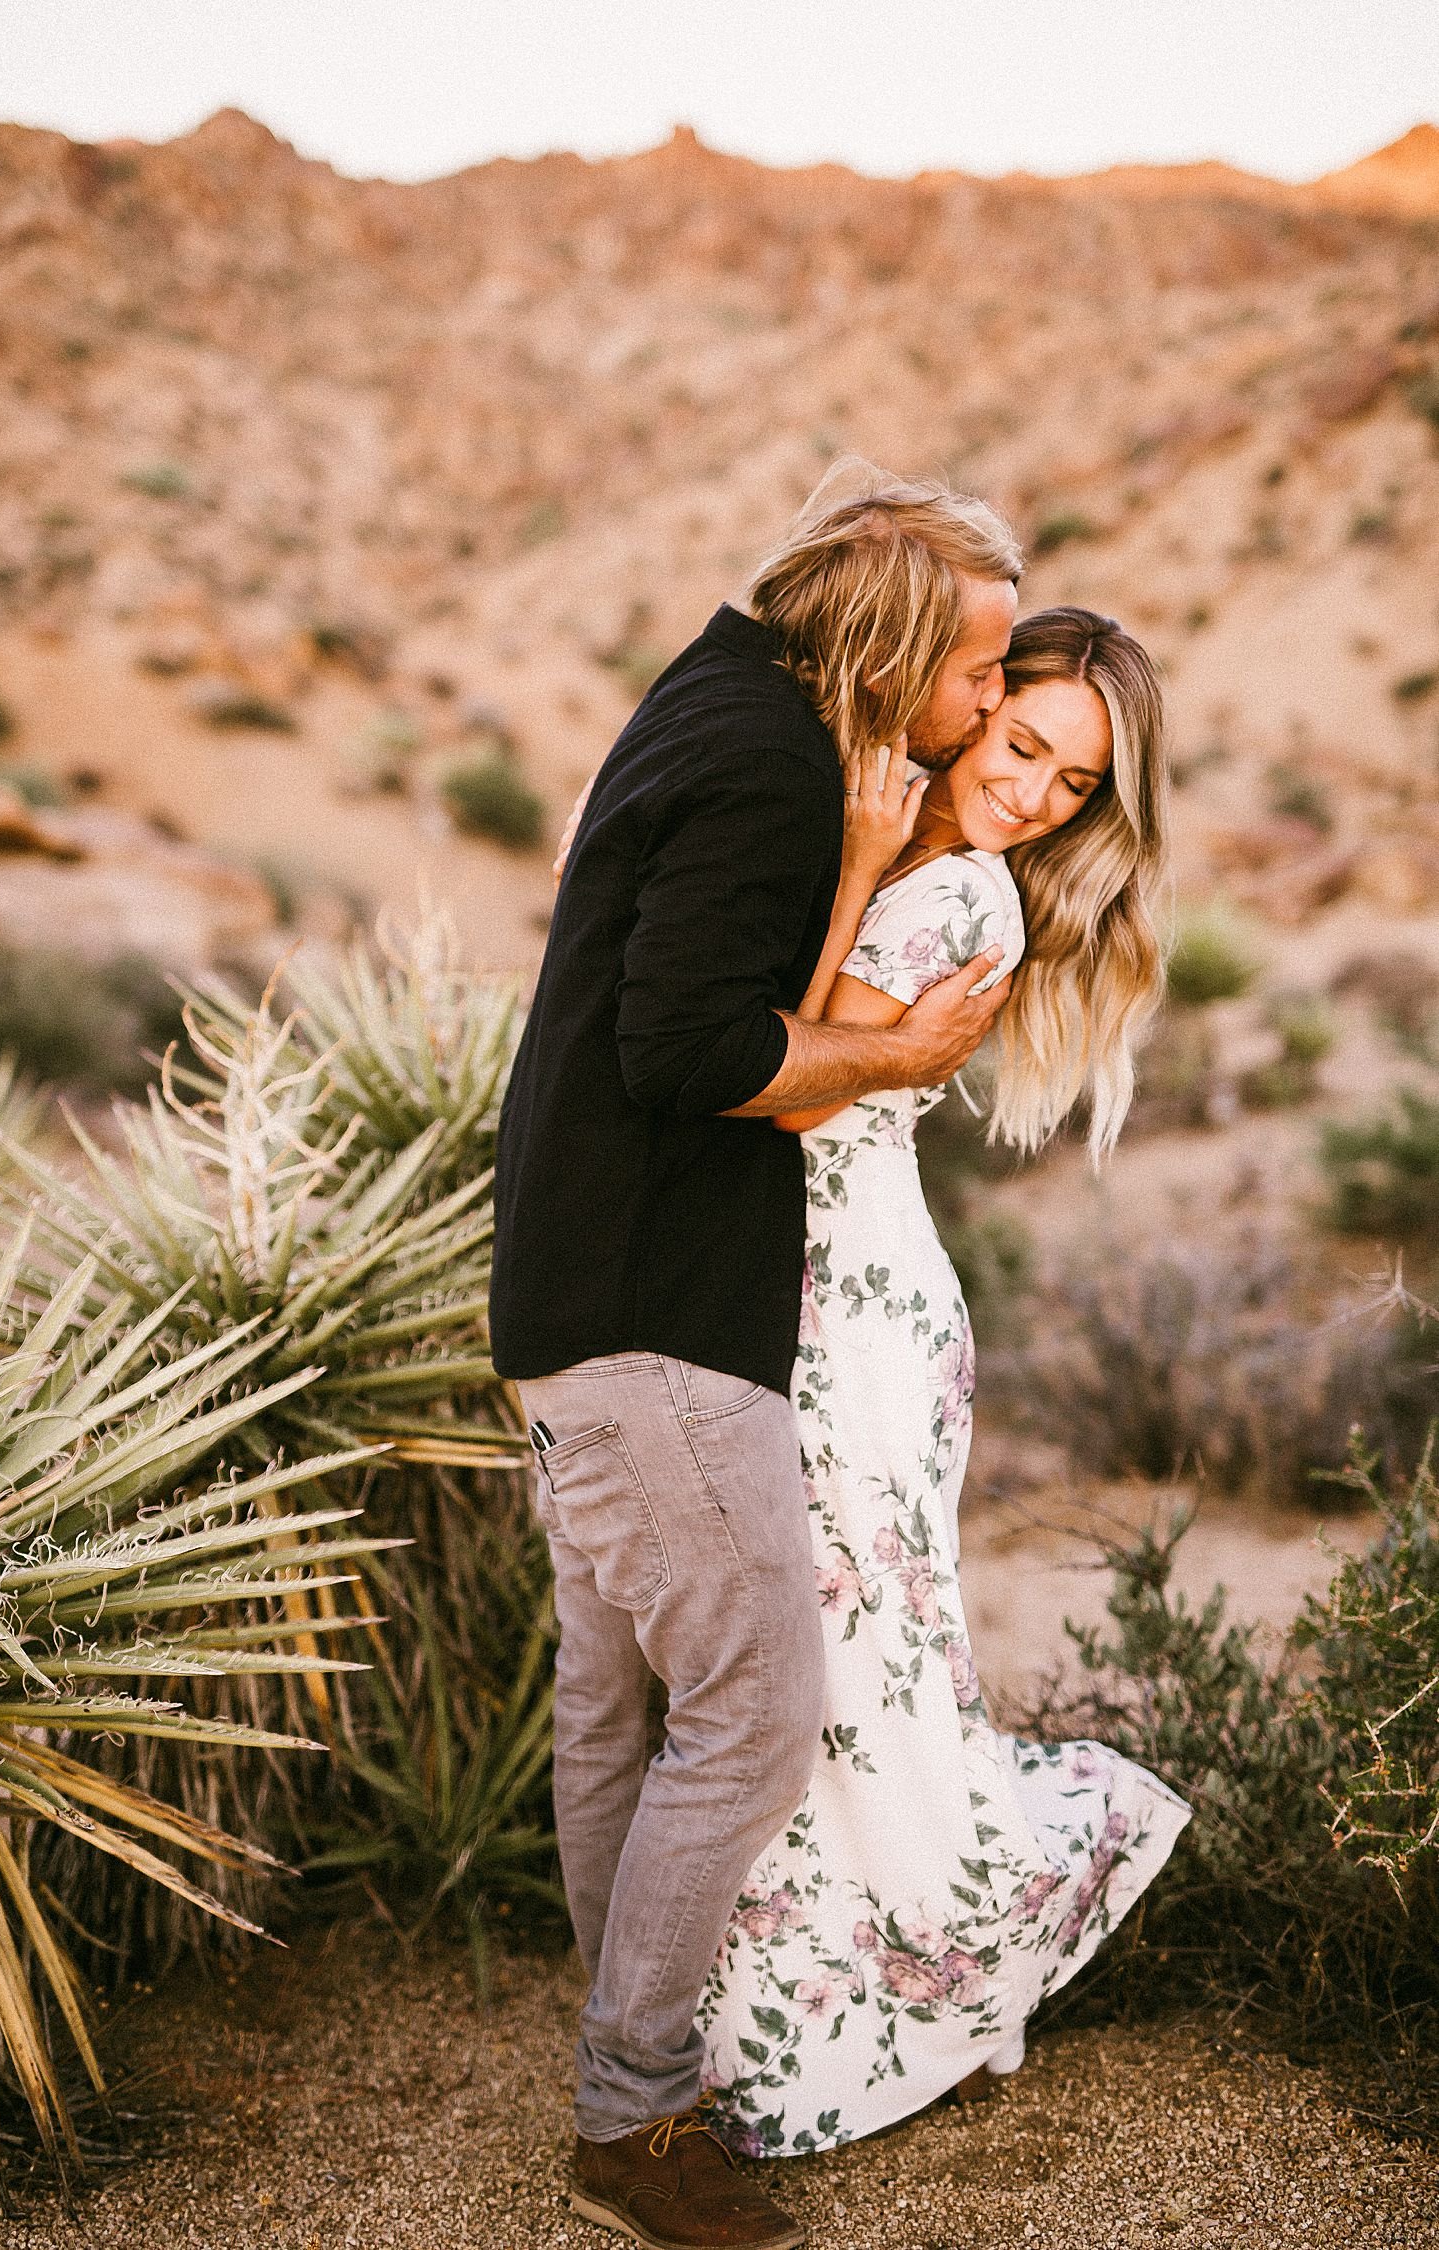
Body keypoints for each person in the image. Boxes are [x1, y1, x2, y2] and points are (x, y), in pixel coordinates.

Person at [490, 460, 1024, 2250]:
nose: (983, 711)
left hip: (567, 1295)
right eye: (974, 673)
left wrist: (867, 857)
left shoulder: (706, 701)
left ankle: (633, 2039)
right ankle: (635, 2114)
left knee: (609, 1698)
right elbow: (685, 1046)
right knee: (760, 1707)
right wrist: (890, 1054)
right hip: (654, 1314)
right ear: (887, 638)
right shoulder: (769, 758)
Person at [697, 606, 1192, 2158]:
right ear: (975, 706)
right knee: (835, 1650)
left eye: (1072, 784)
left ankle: (941, 1969)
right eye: (1023, 741)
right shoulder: (924, 852)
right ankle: (833, 1992)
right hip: (819, 1296)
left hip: (862, 1316)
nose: (1034, 794)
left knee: (859, 1656)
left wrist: (856, 848)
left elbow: (791, 1068)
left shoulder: (965, 893)